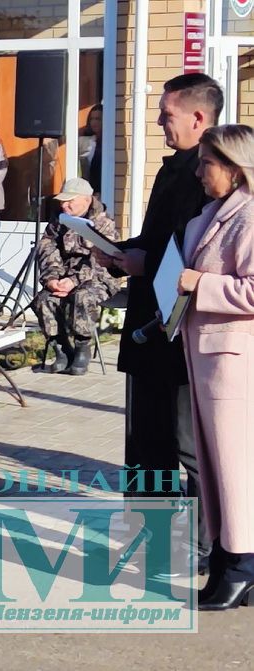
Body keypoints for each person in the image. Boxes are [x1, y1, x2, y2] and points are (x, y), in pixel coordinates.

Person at [94, 73, 221, 536]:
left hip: (180, 328)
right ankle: (151, 536)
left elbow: (195, 253)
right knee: (146, 438)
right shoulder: (173, 169)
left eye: (167, 115)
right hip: (148, 326)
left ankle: (206, 542)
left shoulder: (208, 181)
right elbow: (155, 240)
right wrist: (115, 254)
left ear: (198, 117)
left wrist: (143, 262)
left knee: (184, 443)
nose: (159, 122)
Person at [176, 124, 254, 610]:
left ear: (233, 165)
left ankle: (240, 564)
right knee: (217, 467)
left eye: (207, 162)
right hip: (207, 357)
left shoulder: (249, 217)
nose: (200, 171)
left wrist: (198, 284)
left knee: (233, 469)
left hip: (234, 363)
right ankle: (235, 562)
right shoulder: (213, 214)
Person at [32, 177, 118, 376]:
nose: (64, 205)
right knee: (43, 300)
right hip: (63, 277)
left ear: (87, 200)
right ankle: (61, 348)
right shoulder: (58, 220)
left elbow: (100, 261)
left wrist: (74, 281)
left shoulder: (103, 223)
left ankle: (82, 347)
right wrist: (52, 279)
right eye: (63, 200)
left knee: (83, 297)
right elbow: (47, 248)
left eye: (70, 200)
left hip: (98, 278)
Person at [81, 103, 104, 195]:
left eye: (98, 119)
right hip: (88, 191)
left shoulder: (109, 144)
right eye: (91, 119)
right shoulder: (85, 141)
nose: (94, 122)